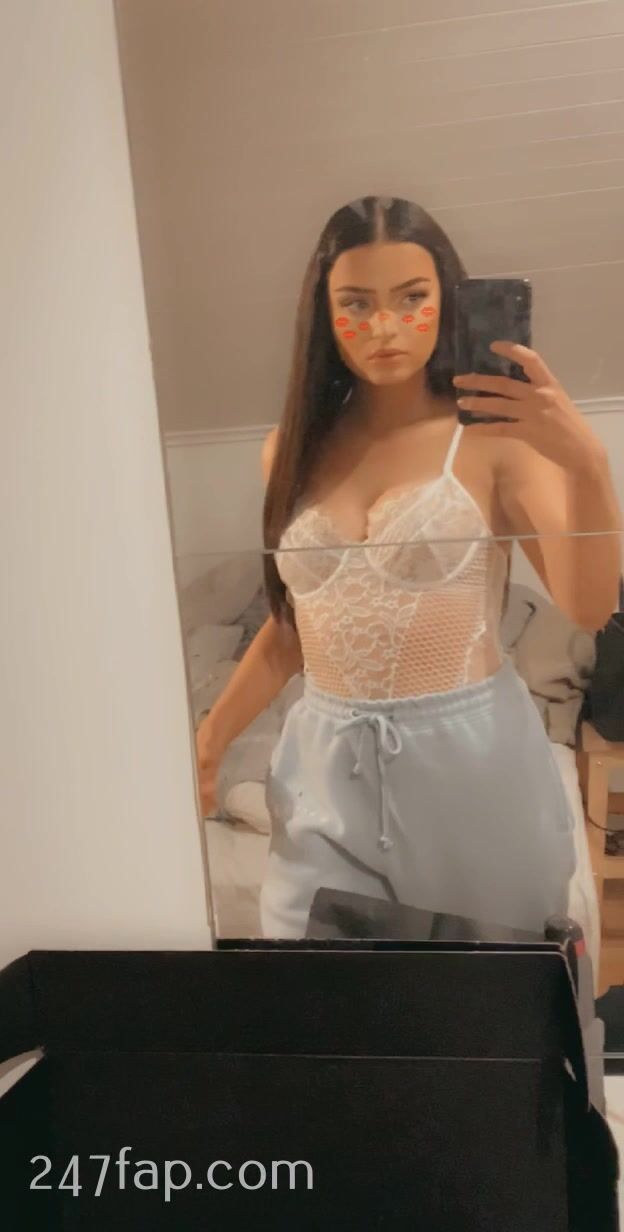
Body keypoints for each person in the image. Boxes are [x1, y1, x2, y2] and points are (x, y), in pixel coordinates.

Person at [196, 195, 621, 938]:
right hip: (324, 764)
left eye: (411, 297)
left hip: (472, 764)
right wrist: (208, 744)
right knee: (313, 983)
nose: (385, 326)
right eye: (357, 303)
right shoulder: (288, 452)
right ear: (325, 313)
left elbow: (589, 607)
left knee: (490, 994)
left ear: (446, 300)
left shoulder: (493, 439)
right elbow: (295, 629)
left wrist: (588, 464)